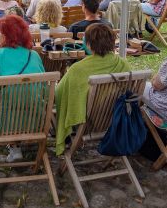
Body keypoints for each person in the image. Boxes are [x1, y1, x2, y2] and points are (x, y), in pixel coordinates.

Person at [0, 15, 45, 166]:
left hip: (0, 119)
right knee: (18, 99)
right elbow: (43, 86)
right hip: (32, 119)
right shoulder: (34, 55)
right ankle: (15, 148)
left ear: (5, 36)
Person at [54, 23, 130, 154]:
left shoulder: (78, 69)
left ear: (88, 44)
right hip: (115, 116)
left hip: (89, 120)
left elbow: (59, 94)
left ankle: (69, 140)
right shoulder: (122, 63)